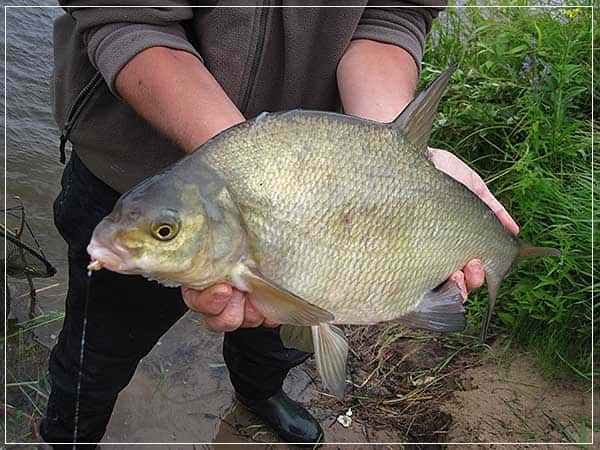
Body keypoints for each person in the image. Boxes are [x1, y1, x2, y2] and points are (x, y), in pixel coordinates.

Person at [41, 2, 519, 446]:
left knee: (280, 336)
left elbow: (392, 16)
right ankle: (68, 432)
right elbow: (128, 15)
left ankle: (258, 393)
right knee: (96, 352)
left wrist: (385, 164)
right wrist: (241, 166)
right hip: (138, 170)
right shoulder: (161, 219)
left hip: (328, 182)